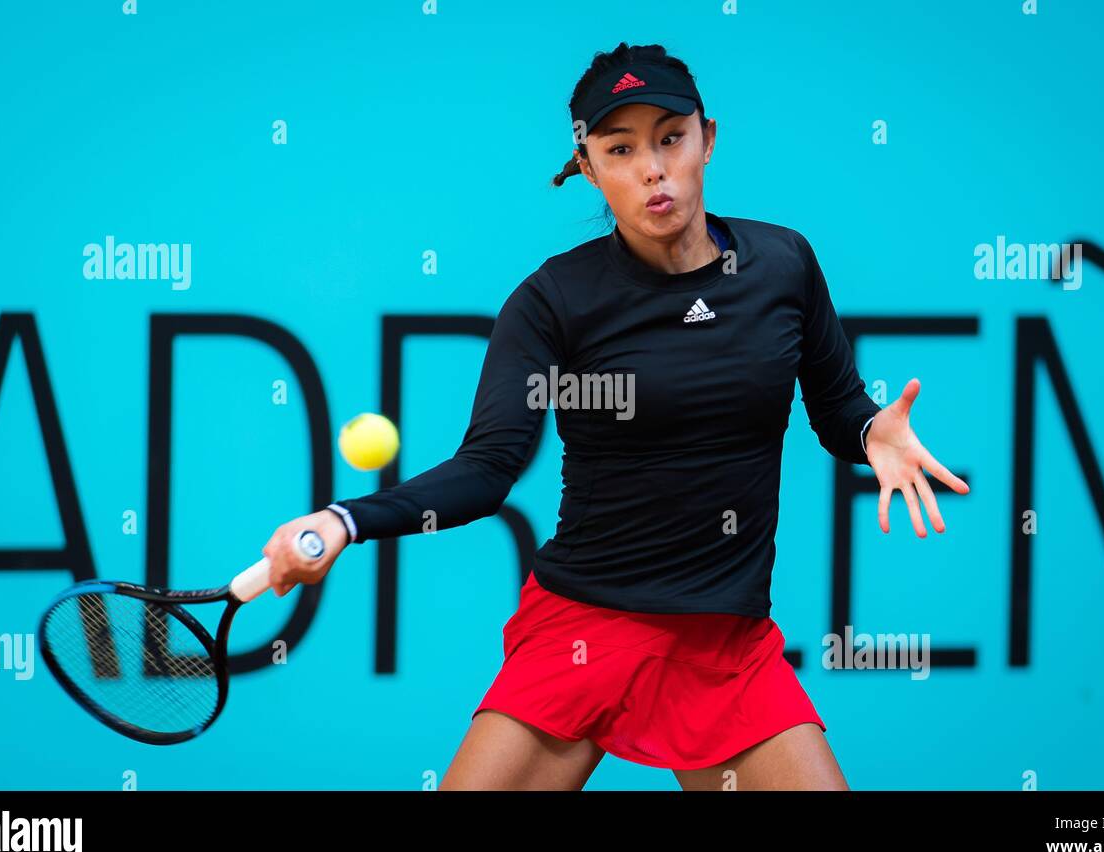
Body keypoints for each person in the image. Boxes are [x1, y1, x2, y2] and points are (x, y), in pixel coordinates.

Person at [259, 42, 969, 790]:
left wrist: (869, 431)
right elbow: (487, 468)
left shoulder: (783, 265)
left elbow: (837, 409)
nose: (652, 168)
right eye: (620, 148)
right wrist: (345, 519)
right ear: (589, 166)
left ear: (708, 139)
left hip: (724, 644)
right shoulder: (553, 300)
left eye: (671, 137)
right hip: (581, 625)